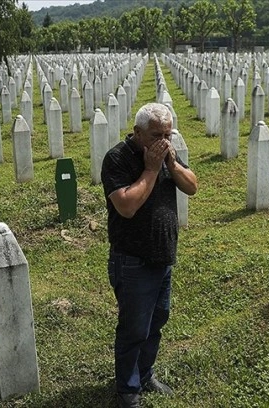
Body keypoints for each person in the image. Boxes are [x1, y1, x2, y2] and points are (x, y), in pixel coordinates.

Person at [101, 103, 198, 408]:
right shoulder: (118, 158)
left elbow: (192, 186)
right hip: (133, 259)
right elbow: (126, 206)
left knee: (157, 320)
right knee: (134, 328)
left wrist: (171, 164)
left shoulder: (166, 153)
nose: (164, 141)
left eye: (168, 134)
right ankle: (128, 390)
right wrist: (151, 170)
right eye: (157, 134)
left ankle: (145, 374)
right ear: (137, 133)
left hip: (163, 255)